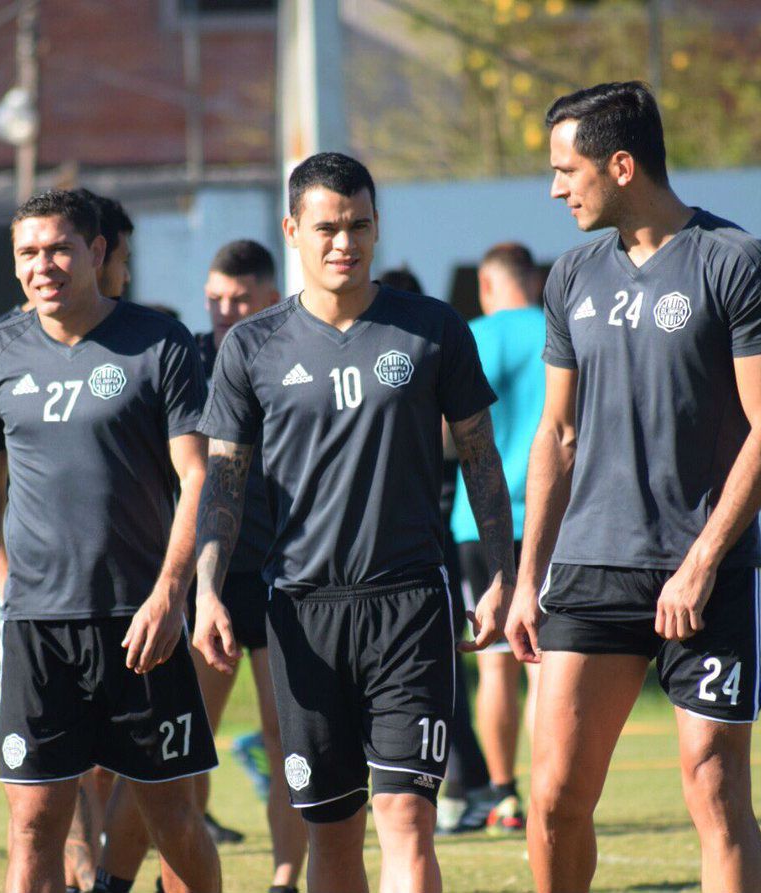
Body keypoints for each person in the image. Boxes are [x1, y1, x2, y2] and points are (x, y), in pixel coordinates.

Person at [194, 152, 516, 892]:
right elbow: (224, 483)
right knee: (331, 834)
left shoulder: (431, 327)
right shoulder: (251, 346)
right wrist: (208, 587)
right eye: (328, 227)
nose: (345, 242)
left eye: (360, 225)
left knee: (405, 817)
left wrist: (502, 575)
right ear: (293, 231)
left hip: (408, 605)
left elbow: (481, 459)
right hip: (301, 614)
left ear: (377, 228)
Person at [504, 81, 761, 893]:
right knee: (556, 796)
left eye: (568, 170)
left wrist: (701, 561)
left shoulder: (736, 263)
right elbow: (557, 434)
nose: (556, 189)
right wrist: (529, 578)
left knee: (713, 785)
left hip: (706, 572)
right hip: (591, 569)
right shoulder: (570, 276)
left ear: (622, 165)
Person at [0, 189, 221, 893]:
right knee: (34, 823)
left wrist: (170, 594)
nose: (44, 265)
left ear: (97, 252)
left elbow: (200, 479)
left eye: (59, 248)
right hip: (38, 628)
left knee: (174, 820)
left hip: (140, 624)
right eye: (28, 254)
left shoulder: (160, 345)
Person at [97, 239, 304, 893]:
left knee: (283, 741)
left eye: (239, 298)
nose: (224, 309)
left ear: (271, 297)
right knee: (178, 743)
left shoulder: (296, 354)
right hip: (203, 579)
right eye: (215, 297)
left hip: (280, 575)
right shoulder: (186, 357)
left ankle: (283, 878)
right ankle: (141, 877)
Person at [376, 267, 497, 836]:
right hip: (430, 553)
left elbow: (471, 443)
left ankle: (470, 788)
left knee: (452, 675)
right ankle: (479, 788)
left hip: (437, 555)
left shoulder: (439, 346)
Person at [450, 242, 546, 835]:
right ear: (532, 281)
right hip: (551, 518)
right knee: (547, 663)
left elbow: (444, 432)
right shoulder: (559, 331)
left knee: (496, 665)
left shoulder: (474, 337)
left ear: (487, 286)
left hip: (476, 523)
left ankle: (504, 795)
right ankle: (552, 790)